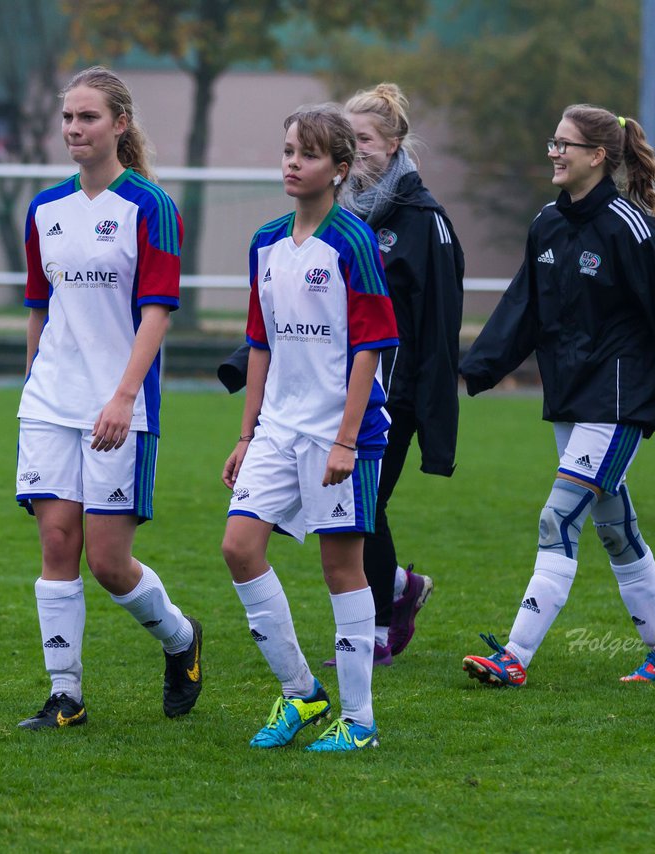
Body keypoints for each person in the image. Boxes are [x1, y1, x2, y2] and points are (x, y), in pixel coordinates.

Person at [458, 104, 655, 687]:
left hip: (620, 401)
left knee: (558, 519)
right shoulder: (546, 224)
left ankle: (514, 655)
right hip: (571, 397)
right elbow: (520, 309)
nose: (553, 152)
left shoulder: (630, 226)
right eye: (552, 142)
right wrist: (474, 368)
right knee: (614, 529)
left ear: (598, 156)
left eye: (565, 144)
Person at [15, 66, 201, 730]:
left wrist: (122, 397)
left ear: (120, 124)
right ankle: (66, 694)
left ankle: (182, 640)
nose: (74, 129)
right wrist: (33, 381)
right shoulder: (44, 210)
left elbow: (157, 315)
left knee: (108, 563)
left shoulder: (151, 208)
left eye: (87, 117)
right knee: (57, 544)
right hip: (48, 405)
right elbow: (39, 307)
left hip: (121, 406)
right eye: (67, 117)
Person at [220, 104, 397, 750]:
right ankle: (302, 694)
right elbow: (259, 343)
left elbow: (370, 346)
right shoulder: (265, 242)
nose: (293, 163)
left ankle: (359, 721)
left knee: (340, 568)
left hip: (339, 431)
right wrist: (246, 435)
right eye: (289, 150)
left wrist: (347, 439)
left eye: (309, 154)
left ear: (340, 169)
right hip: (277, 429)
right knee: (238, 547)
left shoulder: (353, 243)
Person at [327, 83, 464, 664]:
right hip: (335, 386)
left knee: (363, 506)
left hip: (394, 392)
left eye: (364, 141)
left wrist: (423, 401)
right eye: (346, 140)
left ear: (395, 143)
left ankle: (379, 627)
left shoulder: (423, 220)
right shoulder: (337, 213)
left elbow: (438, 321)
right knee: (347, 506)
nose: (355, 153)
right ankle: (402, 588)